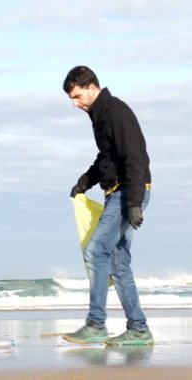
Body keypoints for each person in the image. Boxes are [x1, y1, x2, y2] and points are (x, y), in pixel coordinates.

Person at [62, 66, 154, 346]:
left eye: (77, 96)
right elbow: (107, 158)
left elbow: (136, 157)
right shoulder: (99, 116)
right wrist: (85, 181)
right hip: (119, 192)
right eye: (72, 99)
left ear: (91, 87)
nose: (75, 104)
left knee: (96, 250)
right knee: (118, 263)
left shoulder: (115, 111)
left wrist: (135, 202)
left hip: (127, 193)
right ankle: (138, 330)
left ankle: (95, 323)